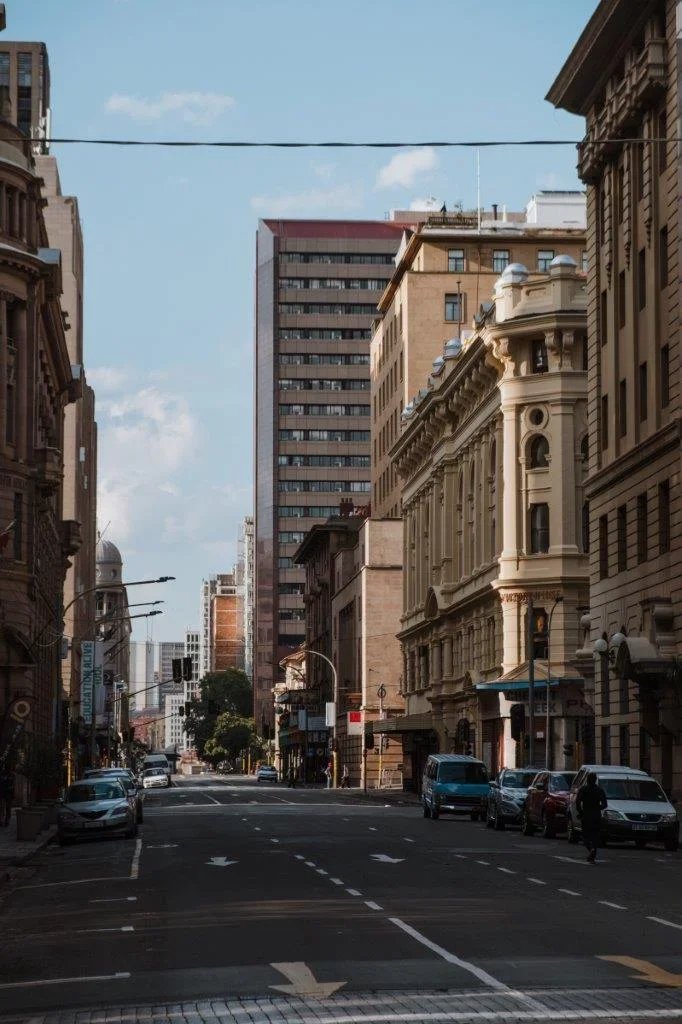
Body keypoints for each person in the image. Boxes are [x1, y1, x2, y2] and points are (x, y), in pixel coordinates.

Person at [576, 771, 607, 862]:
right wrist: (597, 808)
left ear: (587, 780)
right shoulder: (599, 790)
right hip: (596, 815)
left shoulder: (583, 789)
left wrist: (581, 812)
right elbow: (605, 804)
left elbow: (578, 802)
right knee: (595, 835)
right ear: (595, 780)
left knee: (585, 835)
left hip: (586, 814)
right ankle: (593, 851)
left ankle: (591, 849)